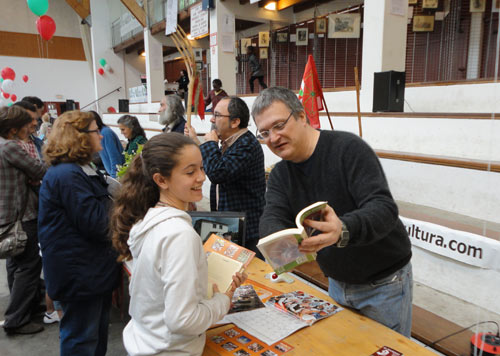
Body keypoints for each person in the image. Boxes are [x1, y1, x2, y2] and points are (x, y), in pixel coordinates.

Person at [252, 87, 413, 337]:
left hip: (383, 283)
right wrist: (278, 243)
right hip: (336, 282)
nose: (273, 138)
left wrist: (343, 230)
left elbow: (383, 209)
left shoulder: (348, 149)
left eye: (279, 125)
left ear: (302, 116)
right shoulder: (280, 174)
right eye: (264, 132)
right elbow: (272, 216)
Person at [110, 132, 246, 356]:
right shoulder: (178, 234)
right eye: (190, 172)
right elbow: (183, 320)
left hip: (145, 340)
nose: (202, 177)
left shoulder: (148, 218)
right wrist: (224, 300)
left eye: (201, 168)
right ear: (161, 180)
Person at [38, 110, 120, 355]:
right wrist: (121, 208)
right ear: (80, 137)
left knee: (94, 340)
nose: (102, 137)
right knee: (82, 342)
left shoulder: (78, 170)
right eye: (96, 131)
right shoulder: (68, 175)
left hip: (89, 273)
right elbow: (97, 223)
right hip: (80, 275)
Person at [185, 97, 266, 255]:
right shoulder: (231, 142)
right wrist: (196, 141)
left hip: (246, 229)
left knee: (245, 273)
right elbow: (214, 163)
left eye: (217, 115)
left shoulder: (246, 144)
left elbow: (217, 173)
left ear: (235, 122)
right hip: (231, 221)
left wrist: (210, 144)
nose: (212, 119)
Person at [0, 106, 46, 335]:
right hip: (21, 214)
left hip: (7, 214)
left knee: (15, 263)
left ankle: (22, 309)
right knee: (28, 266)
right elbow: (40, 170)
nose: (32, 127)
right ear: (14, 129)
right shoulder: (10, 147)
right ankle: (17, 319)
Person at [90, 111, 124, 178]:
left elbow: (114, 158)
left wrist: (114, 177)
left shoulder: (105, 133)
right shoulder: (101, 133)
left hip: (117, 174)